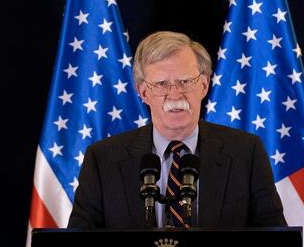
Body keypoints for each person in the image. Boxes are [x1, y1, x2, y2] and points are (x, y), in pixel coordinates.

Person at [67, 30, 286, 229]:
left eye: (185, 81)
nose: (174, 94)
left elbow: (276, 245)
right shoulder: (102, 159)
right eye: (161, 84)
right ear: (143, 92)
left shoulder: (246, 152)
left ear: (204, 84)